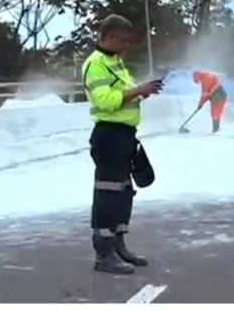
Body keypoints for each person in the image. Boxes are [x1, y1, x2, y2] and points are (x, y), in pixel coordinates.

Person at [81, 14, 164, 274]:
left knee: (124, 192)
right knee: (107, 194)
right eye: (124, 41)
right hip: (109, 136)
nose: (126, 46)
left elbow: (123, 95)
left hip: (125, 136)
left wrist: (140, 93)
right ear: (111, 36)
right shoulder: (95, 64)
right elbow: (105, 101)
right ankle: (103, 254)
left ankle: (118, 245)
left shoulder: (115, 62)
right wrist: (138, 91)